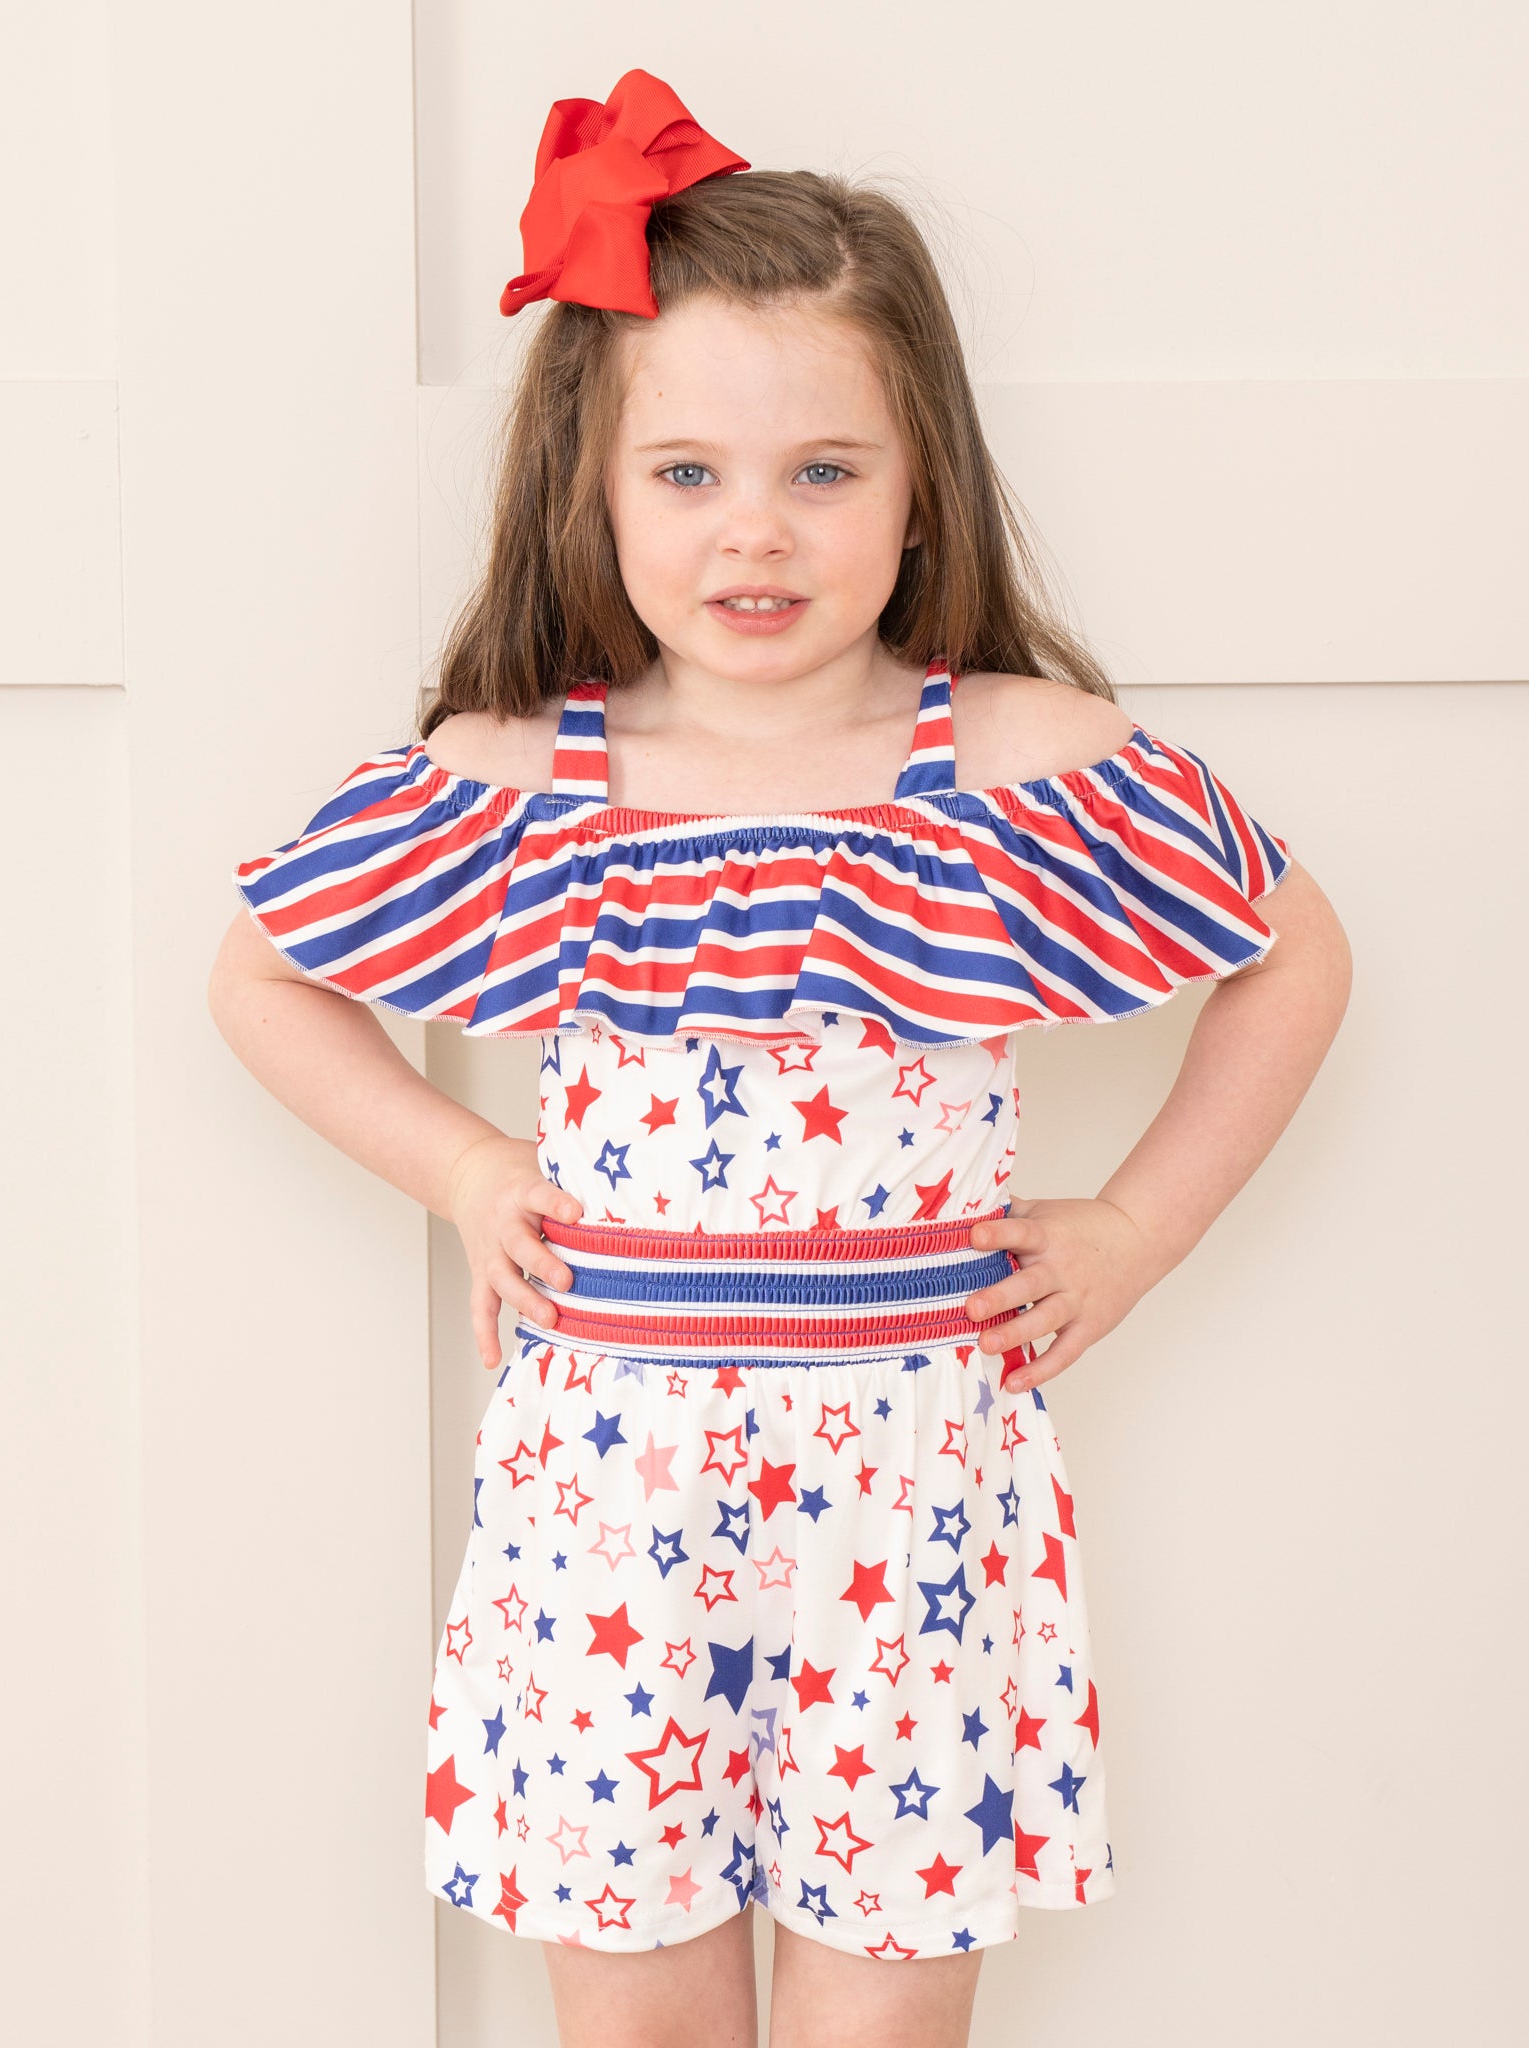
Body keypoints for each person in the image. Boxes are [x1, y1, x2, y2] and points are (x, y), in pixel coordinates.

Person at [208, 66, 1351, 2048]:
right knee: (635, 2021)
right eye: (687, 474)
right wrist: (468, 1171)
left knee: (880, 2027)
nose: (757, 529)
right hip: (610, 1508)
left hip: (913, 1507)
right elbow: (262, 977)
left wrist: (1139, 1227)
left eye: (825, 470)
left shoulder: (1017, 764)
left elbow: (1294, 952)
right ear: (591, 483)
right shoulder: (521, 776)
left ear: (921, 487)